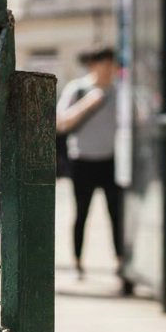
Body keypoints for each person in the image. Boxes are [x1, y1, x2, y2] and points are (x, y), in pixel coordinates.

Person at [57, 45, 127, 292]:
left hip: (112, 161)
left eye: (112, 64)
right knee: (81, 214)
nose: (109, 69)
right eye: (104, 63)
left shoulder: (120, 91)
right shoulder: (77, 89)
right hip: (82, 161)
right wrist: (88, 103)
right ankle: (76, 263)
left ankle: (121, 263)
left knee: (117, 215)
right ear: (94, 65)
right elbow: (60, 123)